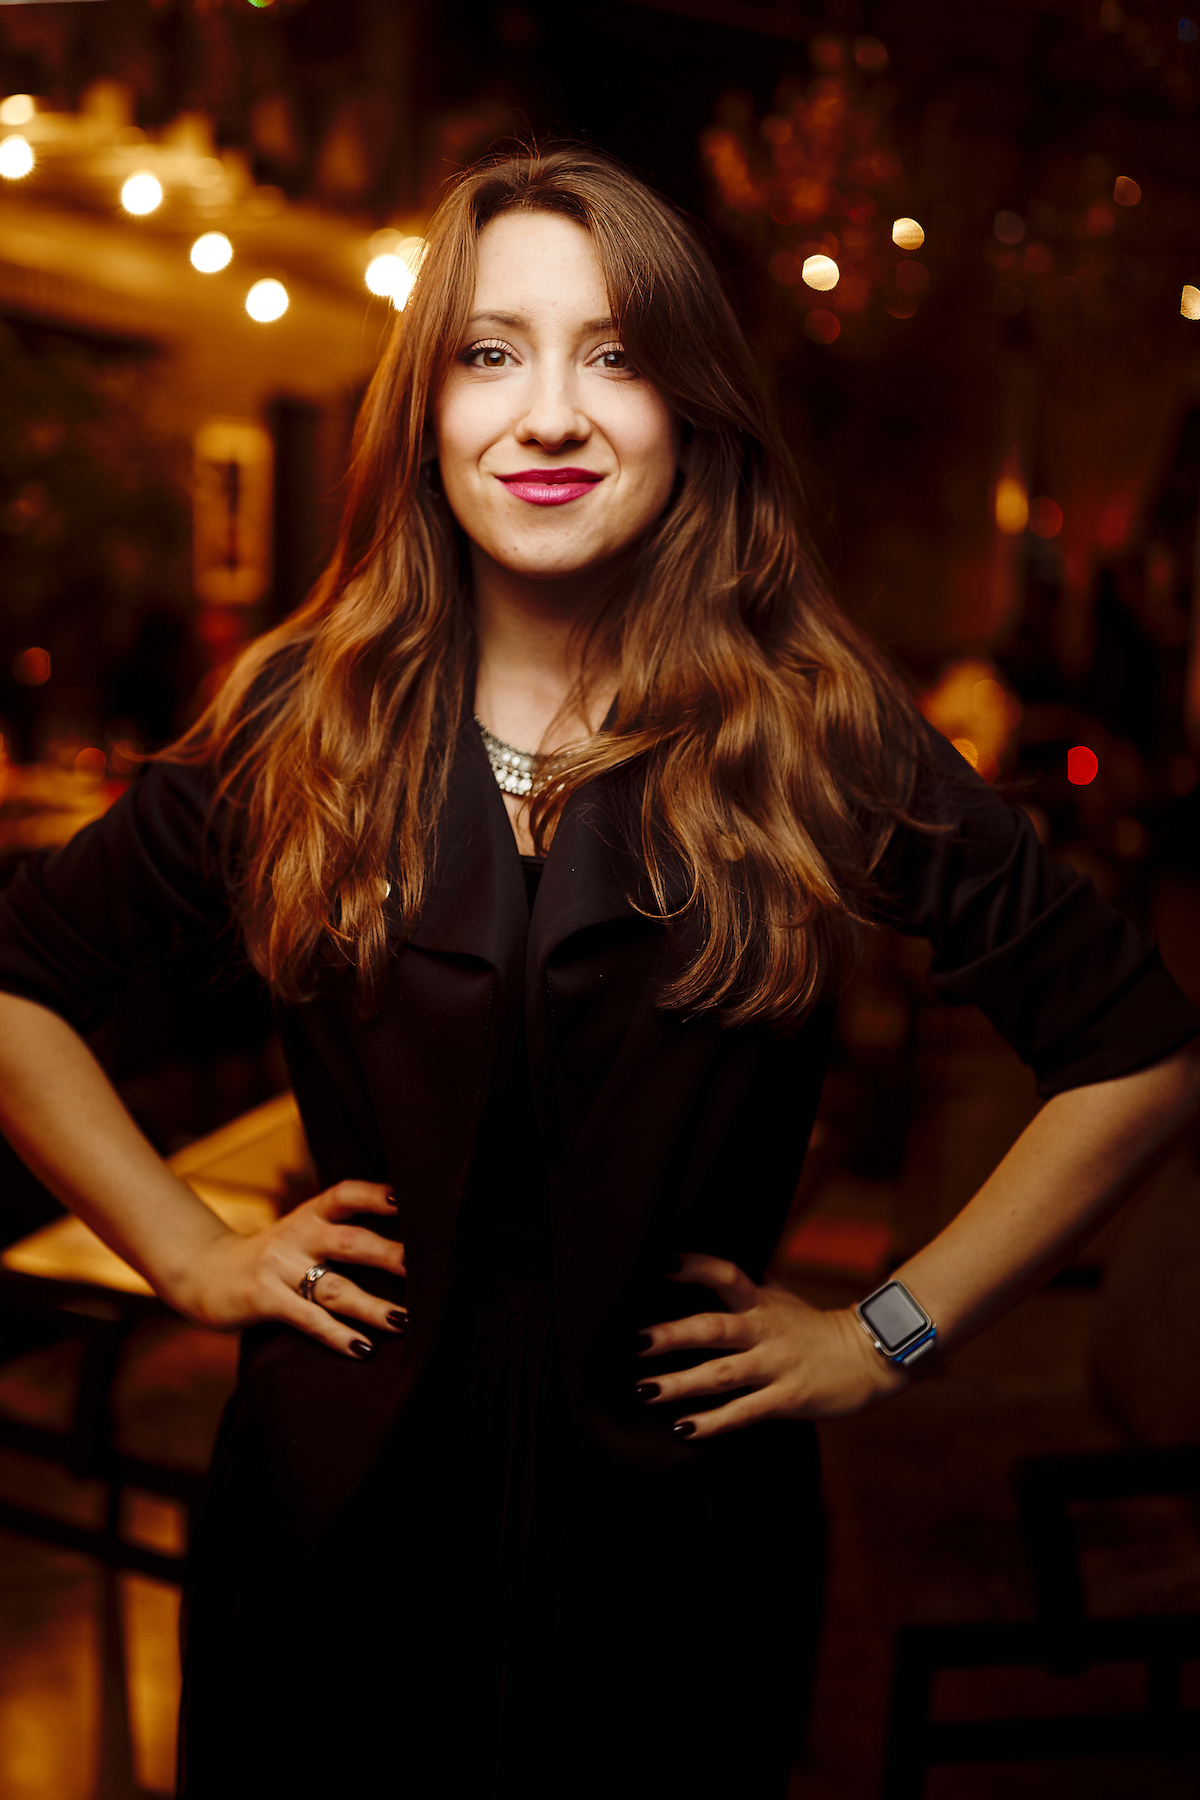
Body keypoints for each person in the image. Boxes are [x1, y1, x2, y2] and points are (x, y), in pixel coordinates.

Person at [0, 146, 1195, 1800]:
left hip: (681, 1542)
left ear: (690, 409)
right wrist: (192, 1257)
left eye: (614, 355)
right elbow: (18, 988)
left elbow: (1138, 1051)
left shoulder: (815, 731)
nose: (548, 414)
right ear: (426, 412)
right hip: (334, 1522)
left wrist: (886, 1333)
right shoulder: (302, 720)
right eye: (491, 353)